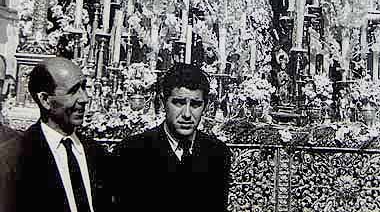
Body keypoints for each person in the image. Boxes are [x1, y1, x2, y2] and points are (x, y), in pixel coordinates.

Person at [113, 63, 231, 212]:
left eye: (195, 105)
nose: (187, 114)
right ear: (163, 102)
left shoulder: (218, 153)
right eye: (179, 103)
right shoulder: (130, 152)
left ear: (205, 106)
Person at [0, 57, 110, 212]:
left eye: (84, 88)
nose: (84, 99)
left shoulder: (97, 153)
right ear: (45, 99)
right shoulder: (13, 158)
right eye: (73, 91)